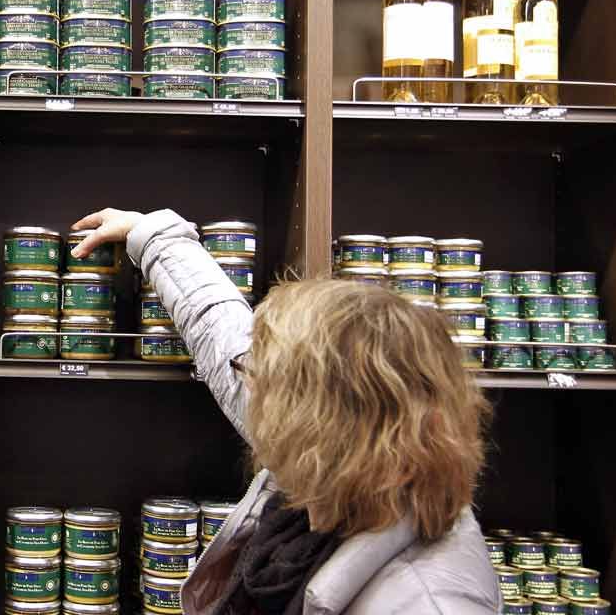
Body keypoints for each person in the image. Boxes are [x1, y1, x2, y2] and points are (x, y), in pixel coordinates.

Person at [71, 208, 500, 615]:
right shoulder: (354, 469)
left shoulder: (427, 602)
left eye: (265, 377)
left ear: (313, 414)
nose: (249, 385)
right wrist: (152, 236)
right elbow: (223, 334)